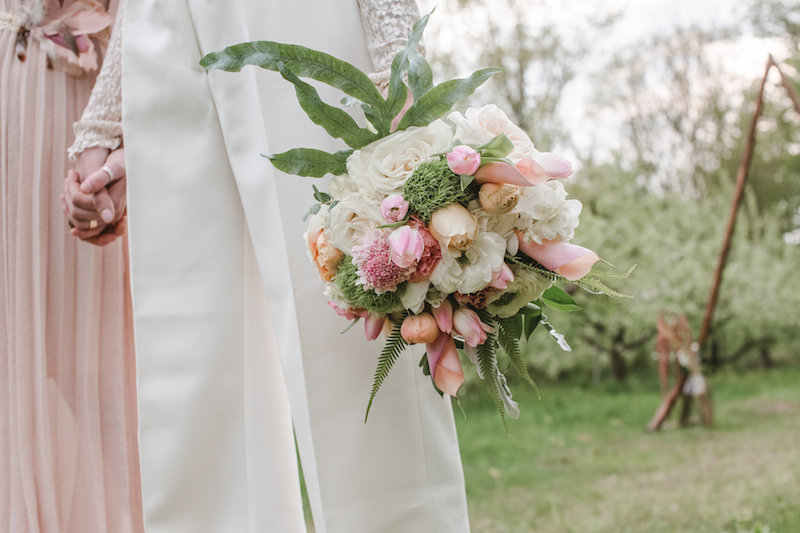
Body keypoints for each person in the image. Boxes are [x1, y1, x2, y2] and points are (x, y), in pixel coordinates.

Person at [67, 0, 471, 532]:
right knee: (192, 354)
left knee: (349, 325)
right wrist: (106, 119)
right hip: (163, 31)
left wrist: (399, 62)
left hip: (300, 17)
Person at [0, 1, 142, 531]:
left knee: (94, 352)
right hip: (11, 95)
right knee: (15, 348)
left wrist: (111, 128)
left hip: (85, 100)